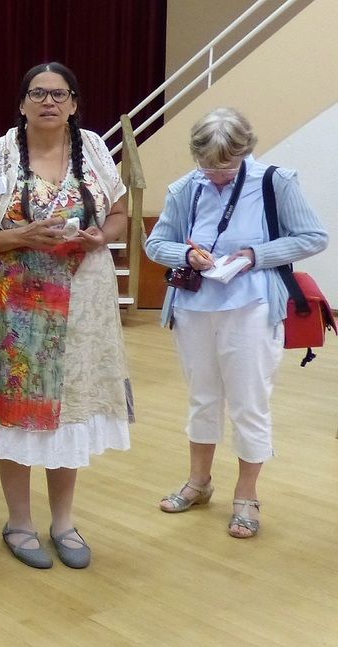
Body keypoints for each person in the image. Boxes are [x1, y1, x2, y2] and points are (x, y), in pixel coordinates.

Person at [0, 62, 132, 569]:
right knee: (18, 414)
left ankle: (64, 522)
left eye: (59, 94)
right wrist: (21, 236)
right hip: (16, 312)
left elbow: (119, 213)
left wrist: (102, 236)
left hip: (82, 310)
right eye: (38, 93)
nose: (48, 102)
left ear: (74, 103)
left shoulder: (94, 148)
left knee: (70, 411)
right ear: (22, 103)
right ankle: (19, 522)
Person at [145, 107, 327, 539]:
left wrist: (254, 255)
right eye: (208, 165)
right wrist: (185, 255)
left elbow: (313, 237)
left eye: (226, 166)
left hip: (252, 306)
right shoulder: (186, 187)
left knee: (249, 402)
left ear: (246, 151)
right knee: (202, 398)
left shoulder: (275, 181)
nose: (216, 175)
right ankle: (199, 483)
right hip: (194, 308)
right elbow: (156, 244)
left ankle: (246, 495)